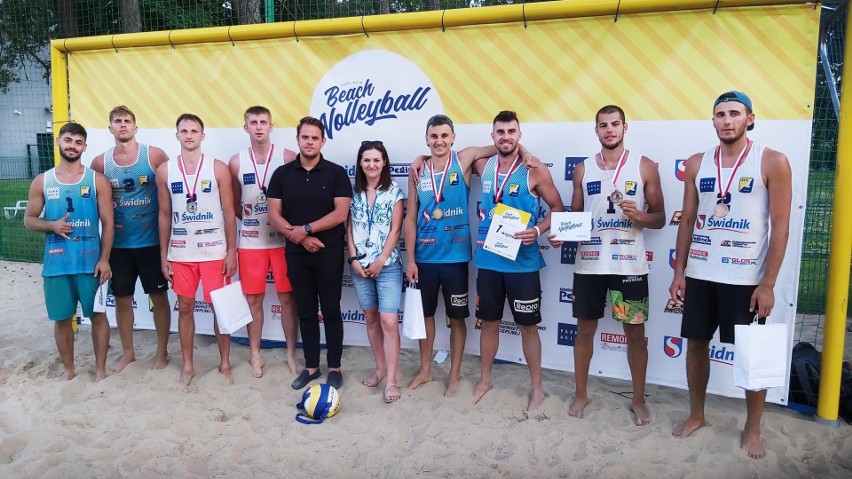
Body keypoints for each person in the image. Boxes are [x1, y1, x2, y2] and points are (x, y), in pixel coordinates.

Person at [669, 91, 791, 459]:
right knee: (694, 345)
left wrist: (767, 284)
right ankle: (697, 415)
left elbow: (781, 225)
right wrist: (679, 271)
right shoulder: (696, 163)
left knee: (753, 354)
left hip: (747, 278)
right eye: (720, 114)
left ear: (749, 119)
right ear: (713, 121)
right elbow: (688, 219)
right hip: (702, 272)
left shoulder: (772, 161)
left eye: (734, 113)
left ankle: (752, 427)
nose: (727, 120)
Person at [550, 105, 665, 425]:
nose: (610, 130)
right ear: (596, 130)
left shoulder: (644, 167)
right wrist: (562, 235)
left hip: (629, 266)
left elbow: (660, 217)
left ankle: (638, 400)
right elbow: (577, 217)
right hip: (589, 265)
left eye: (615, 124)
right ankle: (581, 394)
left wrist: (639, 216)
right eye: (603, 125)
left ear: (625, 128)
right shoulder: (583, 169)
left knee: (634, 333)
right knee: (585, 330)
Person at [470, 111, 564, 410]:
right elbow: (464, 152)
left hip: (523, 264)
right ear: (493, 136)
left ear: (520, 135)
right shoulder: (482, 166)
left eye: (512, 131)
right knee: (488, 325)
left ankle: (537, 387)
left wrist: (537, 229)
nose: (506, 136)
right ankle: (485, 379)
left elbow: (558, 208)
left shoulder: (534, 171)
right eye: (500, 132)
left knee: (528, 327)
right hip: (488, 263)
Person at [267, 116, 352, 390]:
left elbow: (340, 214)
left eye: (315, 137)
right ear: (298, 139)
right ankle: (312, 367)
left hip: (329, 252)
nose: (310, 142)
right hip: (296, 253)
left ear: (323, 141)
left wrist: (305, 229)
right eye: (305, 137)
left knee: (331, 310)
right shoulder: (282, 174)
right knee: (305, 311)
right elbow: (273, 215)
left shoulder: (336, 173)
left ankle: (335, 367)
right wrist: (300, 238)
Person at [24, 122, 114, 381]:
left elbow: (108, 223)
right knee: (62, 320)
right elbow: (28, 219)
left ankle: (100, 370)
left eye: (78, 142)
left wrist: (105, 258)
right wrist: (51, 225)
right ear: (58, 142)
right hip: (56, 264)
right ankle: (69, 370)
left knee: (98, 316)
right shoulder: (43, 180)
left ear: (84, 147)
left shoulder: (97, 180)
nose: (72, 146)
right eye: (68, 140)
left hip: (90, 263)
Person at [155, 113, 238, 385]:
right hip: (181, 252)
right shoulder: (166, 171)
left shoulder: (218, 168)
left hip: (214, 251)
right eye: (184, 130)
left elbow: (228, 212)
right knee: (186, 307)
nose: (189, 135)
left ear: (203, 135)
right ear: (176, 135)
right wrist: (163, 255)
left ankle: (225, 362)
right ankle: (188, 365)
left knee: (220, 308)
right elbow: (164, 214)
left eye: (194, 130)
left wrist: (231, 252)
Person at [90, 105, 171, 372]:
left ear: (136, 127)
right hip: (119, 244)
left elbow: (171, 192)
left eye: (127, 121)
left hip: (151, 242)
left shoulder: (155, 156)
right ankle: (128, 353)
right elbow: (96, 204)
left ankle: (161, 353)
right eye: (117, 121)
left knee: (158, 297)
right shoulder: (101, 163)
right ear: (110, 128)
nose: (122, 124)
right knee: (123, 299)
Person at [227, 105, 300, 378]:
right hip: (250, 243)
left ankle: (291, 353)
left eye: (263, 122)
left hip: (282, 242)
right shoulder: (236, 161)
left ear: (272, 126)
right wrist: (249, 221)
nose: (259, 127)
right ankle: (255, 354)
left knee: (287, 299)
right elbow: (234, 203)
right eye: (253, 122)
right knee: (254, 299)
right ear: (245, 127)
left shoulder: (288, 157)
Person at [346, 140, 405, 403]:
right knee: (370, 318)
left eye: (377, 160)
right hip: (359, 266)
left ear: (384, 164)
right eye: (367, 159)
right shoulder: (353, 193)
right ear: (360, 163)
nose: (371, 164)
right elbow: (348, 229)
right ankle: (380, 369)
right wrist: (353, 259)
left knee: (389, 322)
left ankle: (391, 380)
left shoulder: (395, 191)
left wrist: (381, 260)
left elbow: (395, 230)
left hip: (388, 266)